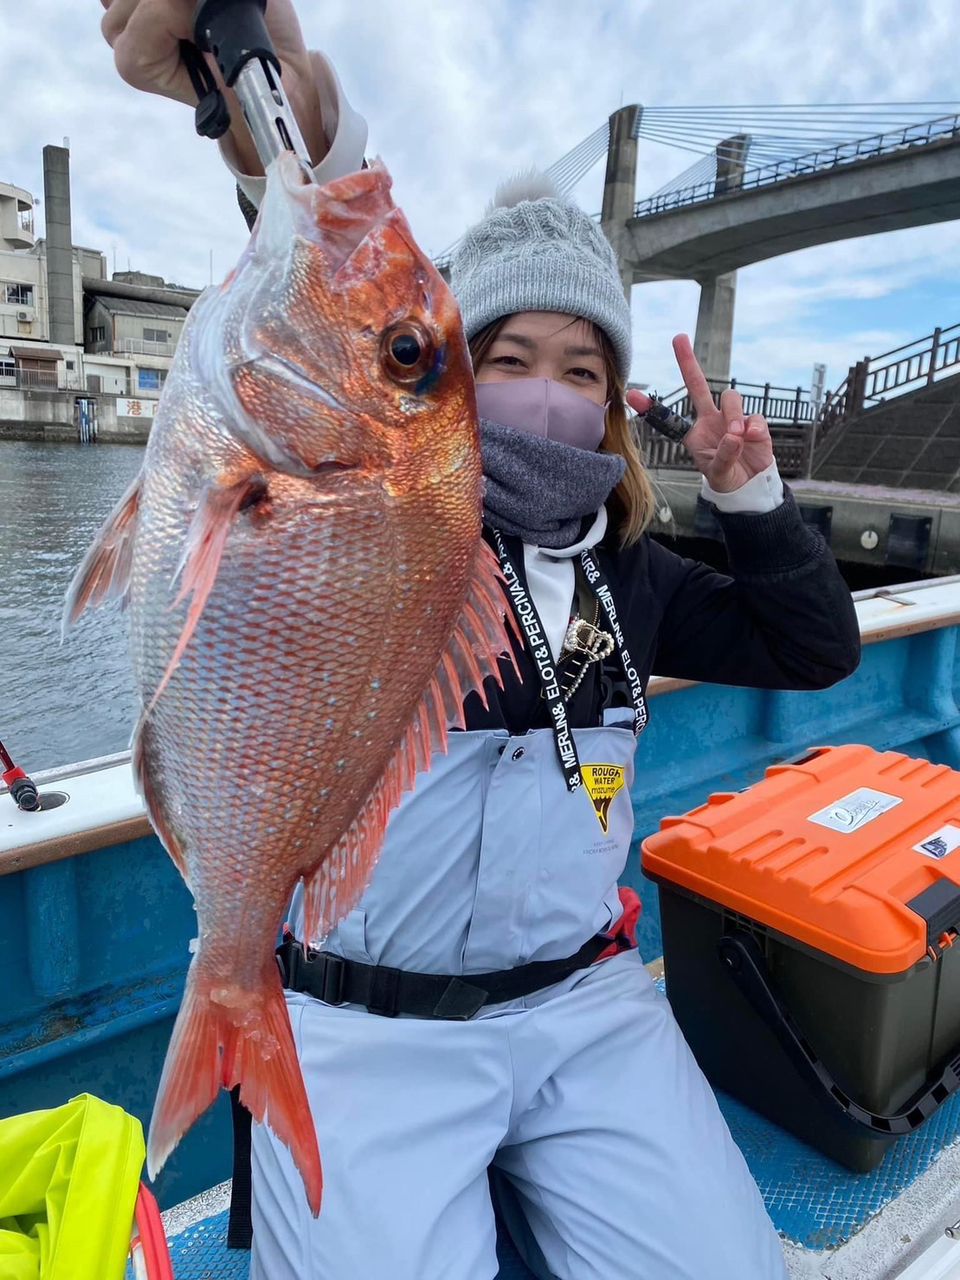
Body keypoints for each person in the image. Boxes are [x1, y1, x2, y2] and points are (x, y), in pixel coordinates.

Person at [101, 5, 861, 1278]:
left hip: (587, 1005)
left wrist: (749, 494)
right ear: (453, 376)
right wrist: (277, 106)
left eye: (583, 368)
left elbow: (814, 644)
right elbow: (333, 283)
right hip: (363, 1018)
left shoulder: (635, 571)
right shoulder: (400, 514)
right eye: (505, 355)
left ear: (614, 402)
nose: (549, 391)